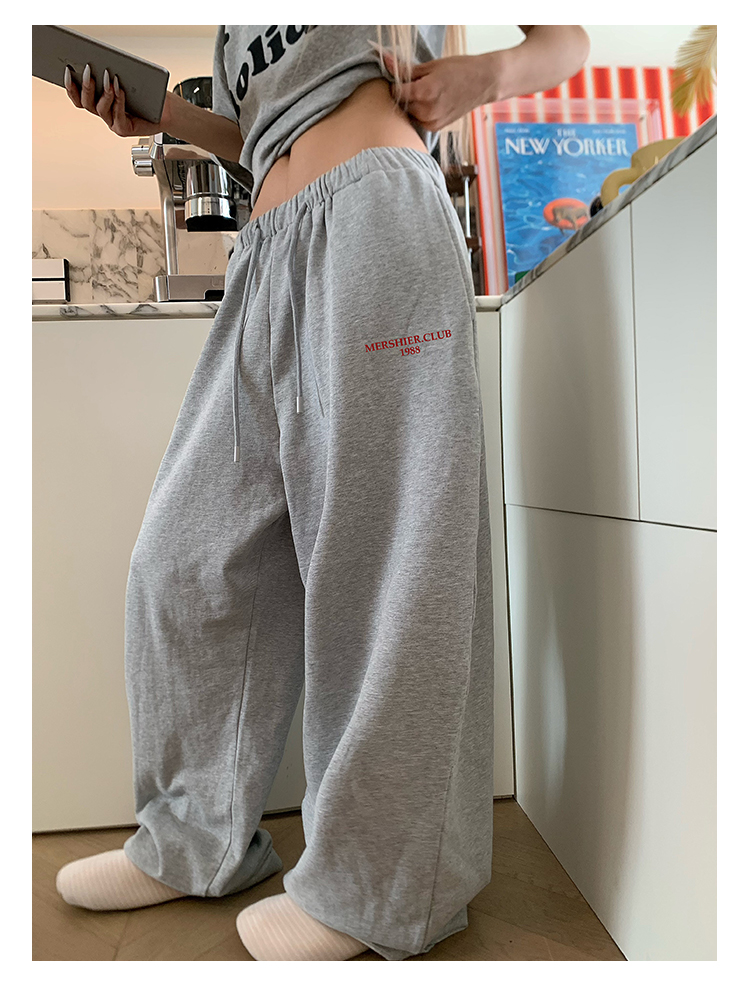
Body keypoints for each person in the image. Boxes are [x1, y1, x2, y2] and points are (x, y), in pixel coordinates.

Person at [55, 24, 590, 961]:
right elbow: (260, 134)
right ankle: (193, 838)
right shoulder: (233, 30)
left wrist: (482, 75)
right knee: (184, 558)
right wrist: (164, 116)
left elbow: (568, 40)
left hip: (376, 214)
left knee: (389, 561)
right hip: (265, 252)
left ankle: (381, 885)